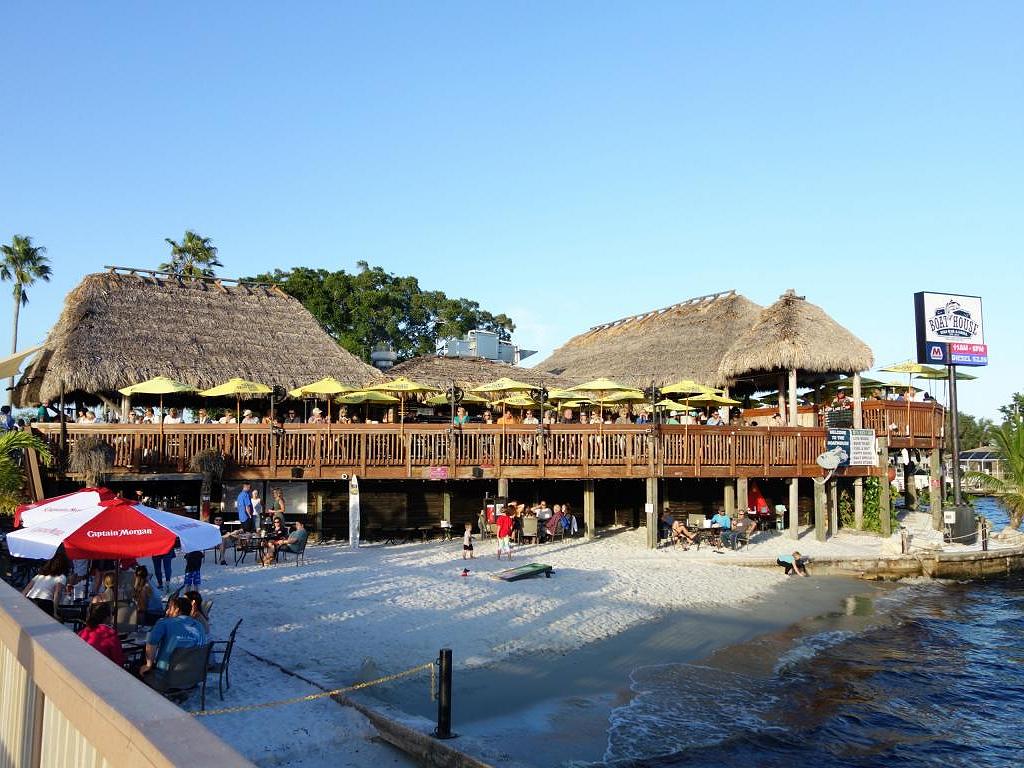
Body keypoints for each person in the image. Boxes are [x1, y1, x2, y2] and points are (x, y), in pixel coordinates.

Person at [140, 597, 207, 681]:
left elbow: (151, 643)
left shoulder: (164, 623)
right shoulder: (199, 626)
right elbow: (202, 648)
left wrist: (148, 665)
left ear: (176, 610)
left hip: (165, 676)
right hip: (192, 676)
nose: (167, 611)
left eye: (169, 608)